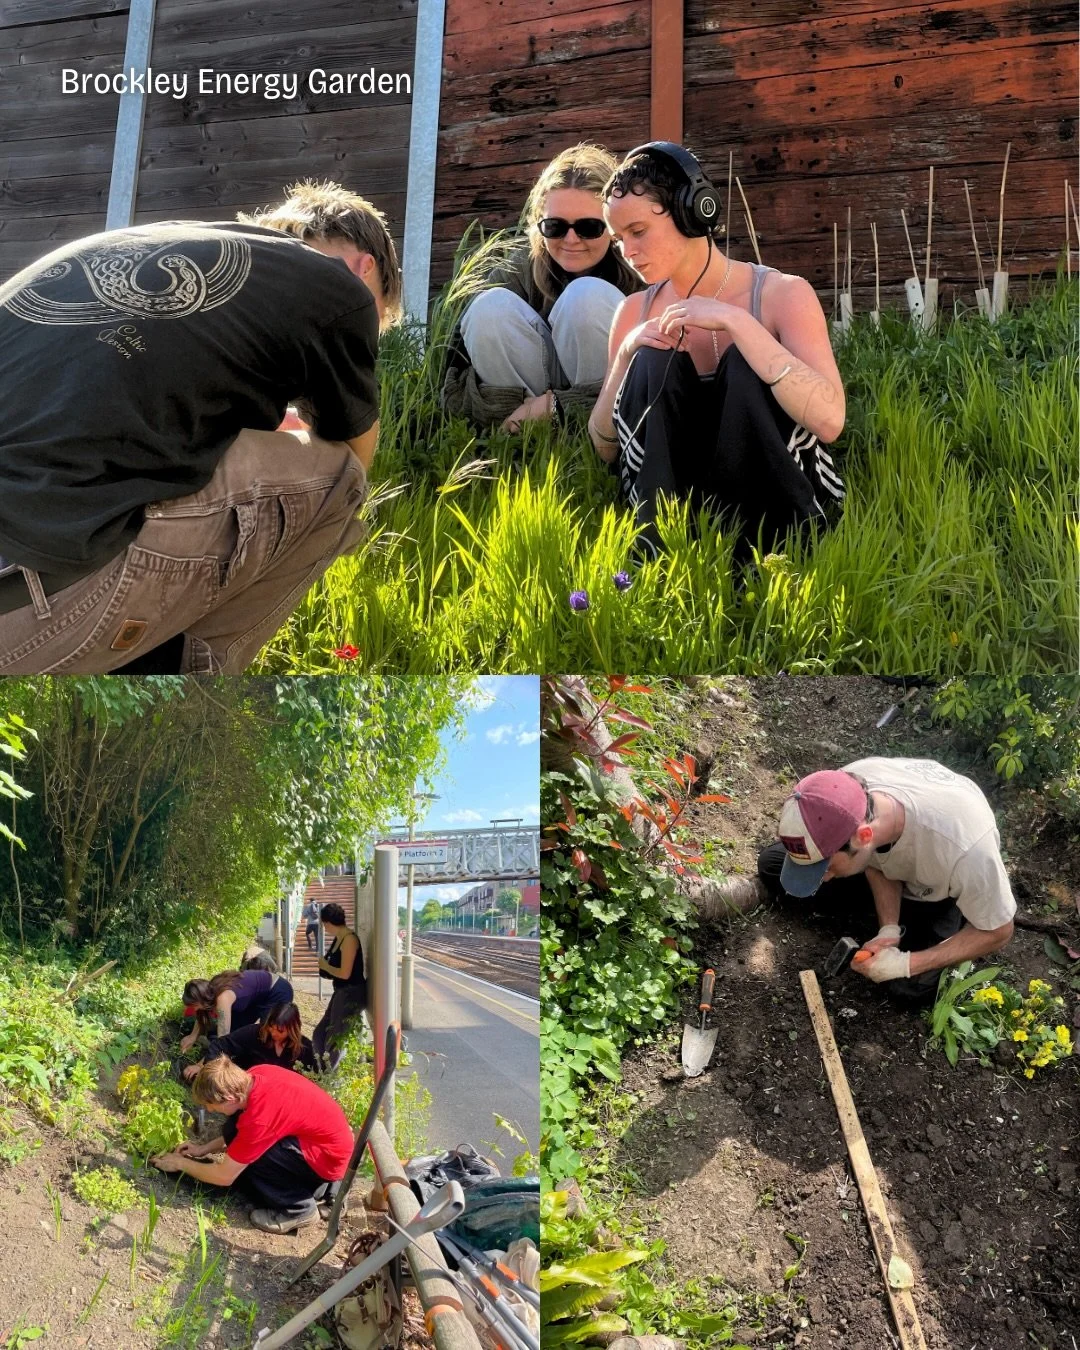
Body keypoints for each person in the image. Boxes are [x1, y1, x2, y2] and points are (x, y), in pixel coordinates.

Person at [0, 180, 401, 675]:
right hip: (26, 603)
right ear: (367, 271)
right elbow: (355, 458)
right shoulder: (339, 287)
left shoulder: (151, 239)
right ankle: (183, 689)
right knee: (339, 478)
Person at [589, 142, 846, 556]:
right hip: (673, 499)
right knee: (652, 360)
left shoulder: (782, 294)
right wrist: (625, 358)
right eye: (619, 239)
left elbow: (831, 421)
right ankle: (658, 556)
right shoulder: (634, 311)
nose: (628, 251)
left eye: (638, 232)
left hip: (775, 502)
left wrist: (740, 324)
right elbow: (604, 447)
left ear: (693, 212)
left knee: (749, 361)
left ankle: (778, 554)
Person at [759, 758, 1017, 1004]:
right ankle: (889, 925)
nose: (822, 878)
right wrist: (889, 929)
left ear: (863, 836)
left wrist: (907, 963)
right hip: (887, 861)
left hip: (937, 887)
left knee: (910, 986)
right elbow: (878, 862)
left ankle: (943, 920)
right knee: (772, 866)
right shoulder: (842, 791)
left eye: (825, 867)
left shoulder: (966, 851)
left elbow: (999, 931)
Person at [443, 142, 643, 431]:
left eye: (589, 227)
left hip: (613, 414)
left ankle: (588, 438)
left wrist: (558, 406)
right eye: (555, 227)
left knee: (586, 296)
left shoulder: (641, 266)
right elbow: (453, 382)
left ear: (614, 226)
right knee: (488, 308)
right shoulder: (518, 267)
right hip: (518, 416)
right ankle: (520, 443)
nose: (571, 240)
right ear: (538, 222)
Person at [151, 1055, 353, 1233]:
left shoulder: (260, 1117)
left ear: (230, 1098)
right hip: (326, 1147)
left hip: (326, 1163)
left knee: (257, 1160)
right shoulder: (254, 1076)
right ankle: (325, 1190)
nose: (210, 1110)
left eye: (211, 1105)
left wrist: (180, 1163)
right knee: (233, 1130)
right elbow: (243, 1133)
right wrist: (202, 1149)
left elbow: (224, 1176)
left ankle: (299, 1209)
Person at [182, 1002, 315, 1080]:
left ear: (293, 1030)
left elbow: (315, 1079)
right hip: (246, 1090)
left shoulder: (305, 1050)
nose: (273, 1033)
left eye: (280, 1031)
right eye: (271, 1027)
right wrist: (209, 1070)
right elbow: (220, 1045)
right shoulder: (256, 1033)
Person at [179, 968, 294, 1051]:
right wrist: (192, 1036)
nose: (194, 1010)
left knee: (267, 1037)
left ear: (202, 1000)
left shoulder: (223, 999)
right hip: (253, 999)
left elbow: (222, 1040)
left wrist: (200, 1066)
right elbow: (201, 1014)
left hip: (277, 991)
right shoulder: (209, 990)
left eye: (194, 1006)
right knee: (235, 1031)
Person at [313, 902, 368, 1070]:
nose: (324, 927)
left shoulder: (349, 940)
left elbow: (345, 973)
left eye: (324, 924)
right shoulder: (339, 938)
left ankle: (331, 1076)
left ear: (327, 922)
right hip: (341, 992)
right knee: (320, 1033)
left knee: (334, 1039)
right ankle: (322, 1069)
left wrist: (324, 965)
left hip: (350, 993)